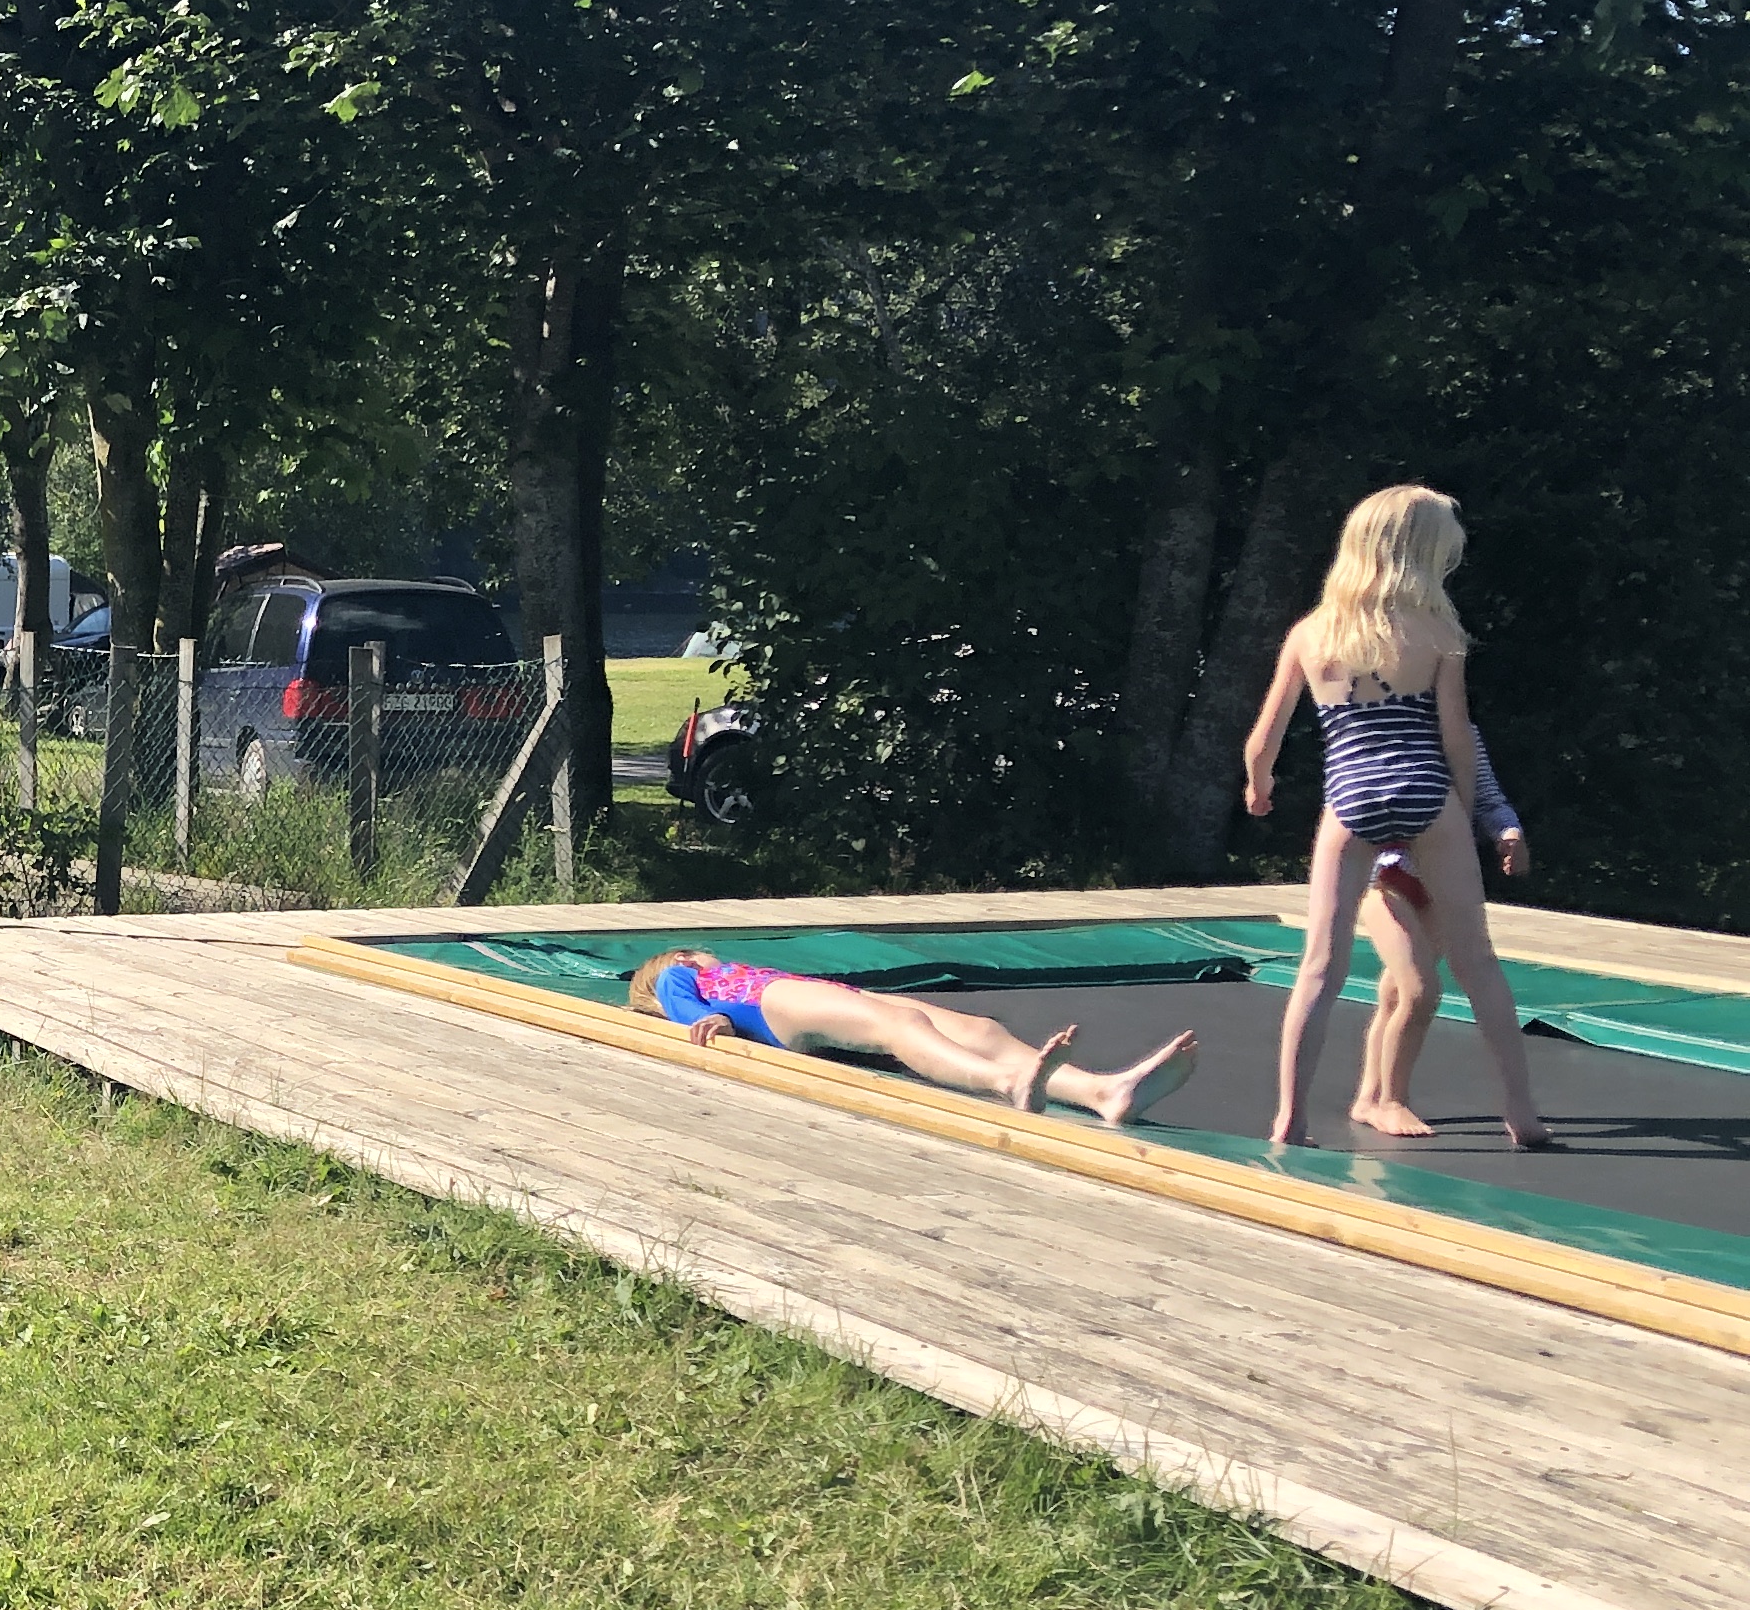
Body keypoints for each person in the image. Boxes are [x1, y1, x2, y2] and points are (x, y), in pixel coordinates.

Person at [1242, 485, 1550, 1149]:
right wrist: (1460, 813)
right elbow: (1457, 738)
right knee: (1477, 962)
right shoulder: (1437, 633)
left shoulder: (1311, 634)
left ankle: (1290, 1117)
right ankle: (1521, 1112)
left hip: (1349, 799)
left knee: (1320, 966)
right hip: (1425, 791)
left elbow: (1264, 739)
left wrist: (1258, 787)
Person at [629, 946, 1199, 1128]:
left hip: (796, 1001)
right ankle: (1006, 1082)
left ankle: (1101, 1091)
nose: (710, 953)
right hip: (765, 1004)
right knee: (900, 1026)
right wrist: (712, 1020)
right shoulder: (684, 974)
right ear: (683, 958)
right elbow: (682, 1008)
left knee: (977, 1029)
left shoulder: (718, 974)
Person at [1348, 728, 1530, 1139]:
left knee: (1394, 994)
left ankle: (1367, 1098)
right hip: (1386, 880)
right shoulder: (1384, 725)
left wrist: (1510, 835)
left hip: (1441, 883)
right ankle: (1392, 1100)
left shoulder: (1463, 734)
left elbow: (1489, 801)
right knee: (1419, 990)